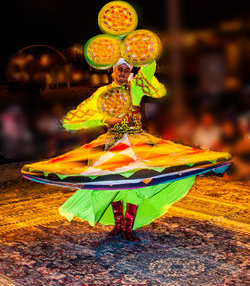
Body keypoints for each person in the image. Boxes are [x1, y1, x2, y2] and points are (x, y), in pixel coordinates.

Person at [22, 59, 231, 242]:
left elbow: (160, 89)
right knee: (114, 182)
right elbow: (73, 119)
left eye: (125, 69)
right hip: (113, 144)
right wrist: (105, 119)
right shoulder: (102, 93)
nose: (122, 73)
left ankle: (128, 228)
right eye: (118, 69)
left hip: (137, 143)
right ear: (112, 71)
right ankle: (118, 225)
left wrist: (143, 53)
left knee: (136, 181)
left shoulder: (136, 87)